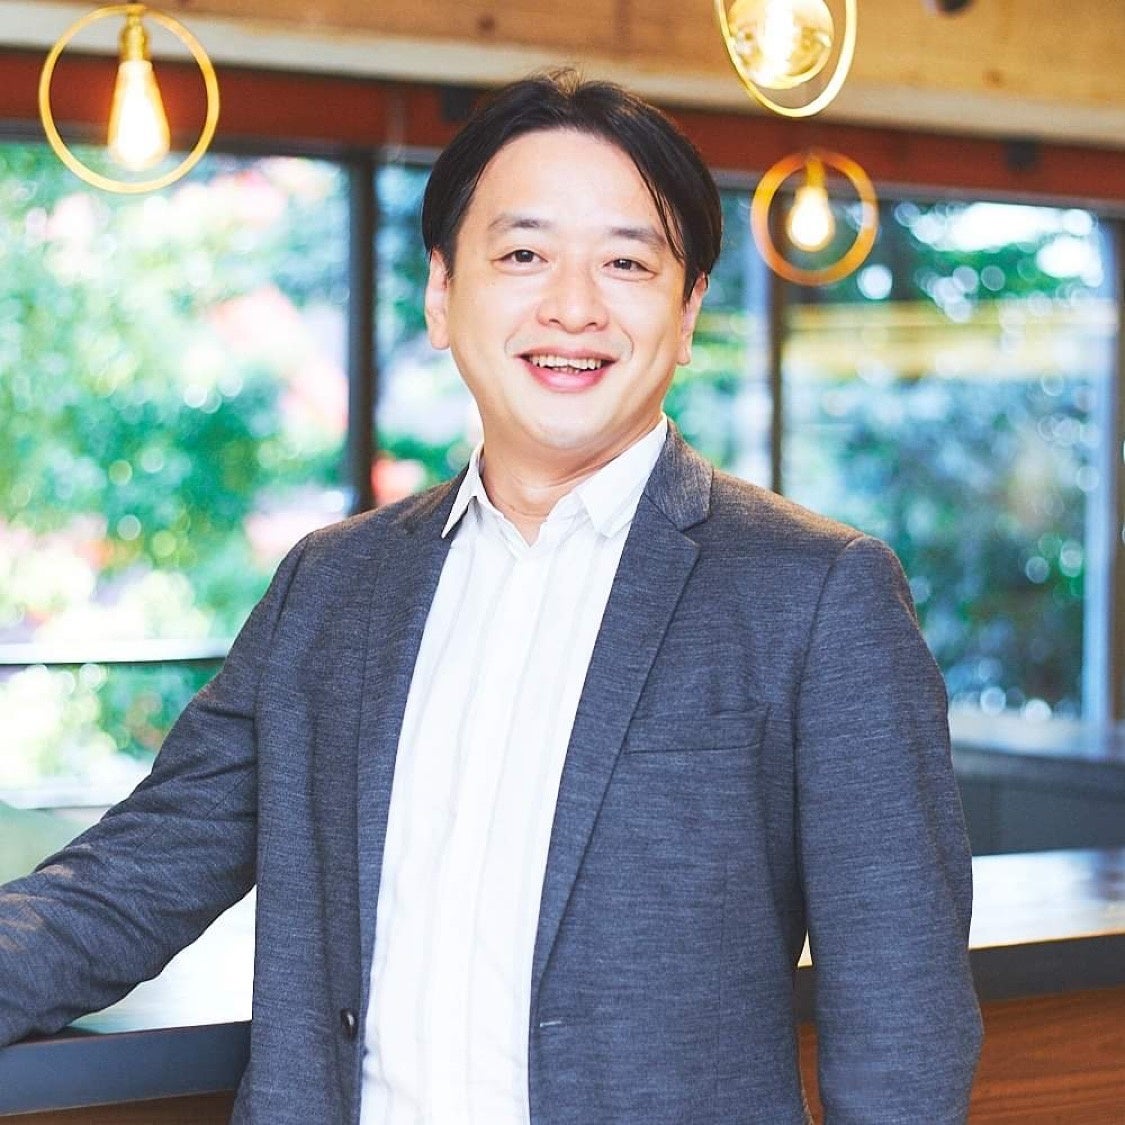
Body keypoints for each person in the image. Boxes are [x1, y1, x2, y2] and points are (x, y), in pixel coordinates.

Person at [0, 70, 982, 1123]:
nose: (573, 306)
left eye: (626, 262)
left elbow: (904, 1019)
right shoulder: (331, 586)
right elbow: (132, 876)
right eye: (523, 255)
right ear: (441, 292)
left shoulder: (816, 593)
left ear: (688, 309)